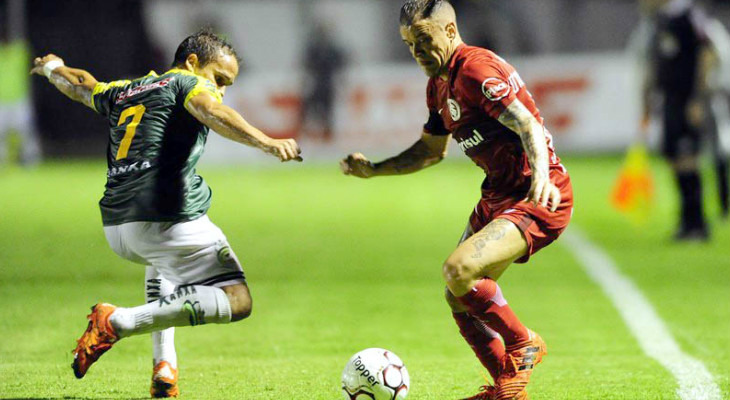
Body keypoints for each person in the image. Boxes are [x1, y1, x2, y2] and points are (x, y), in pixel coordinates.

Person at [31, 30, 302, 398]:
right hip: (166, 219)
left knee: (164, 262)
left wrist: (53, 68)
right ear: (192, 62)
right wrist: (266, 141)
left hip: (117, 227)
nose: (220, 90)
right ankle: (118, 321)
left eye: (227, 86)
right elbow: (211, 110)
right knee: (238, 300)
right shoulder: (187, 84)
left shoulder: (125, 89)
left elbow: (82, 85)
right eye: (219, 79)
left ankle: (165, 367)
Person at [340, 1, 572, 399]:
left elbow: (527, 123)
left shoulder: (476, 70)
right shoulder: (439, 84)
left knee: (458, 269)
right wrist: (374, 169)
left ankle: (523, 343)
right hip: (498, 196)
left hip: (535, 194)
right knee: (458, 297)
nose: (416, 51)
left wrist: (545, 177)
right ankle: (507, 388)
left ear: (449, 31)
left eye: (423, 39)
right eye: (409, 43)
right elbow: (431, 151)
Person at [637, 0, 716, 240]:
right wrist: (648, 101)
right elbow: (658, 64)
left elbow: (707, 54)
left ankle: (698, 224)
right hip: (669, 100)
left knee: (688, 157)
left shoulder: (689, 15)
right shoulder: (661, 20)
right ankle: (686, 221)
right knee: (673, 156)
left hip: (686, 99)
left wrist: (697, 98)